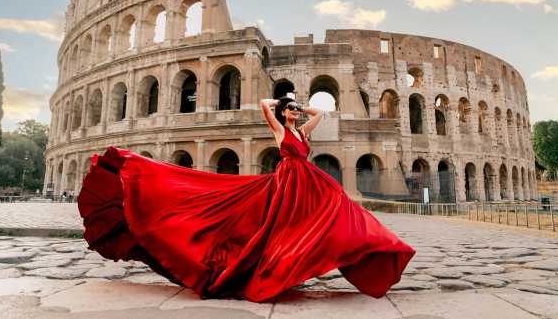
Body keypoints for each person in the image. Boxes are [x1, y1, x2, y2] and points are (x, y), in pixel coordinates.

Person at [77, 96, 414, 302]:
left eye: (297, 112)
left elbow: (320, 115)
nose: (296, 114)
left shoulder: (300, 131)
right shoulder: (281, 130)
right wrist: (281, 105)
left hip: (308, 182)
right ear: (284, 115)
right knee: (277, 230)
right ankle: (276, 265)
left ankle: (375, 247)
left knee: (342, 212)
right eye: (291, 111)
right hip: (289, 182)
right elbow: (265, 106)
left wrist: (299, 108)